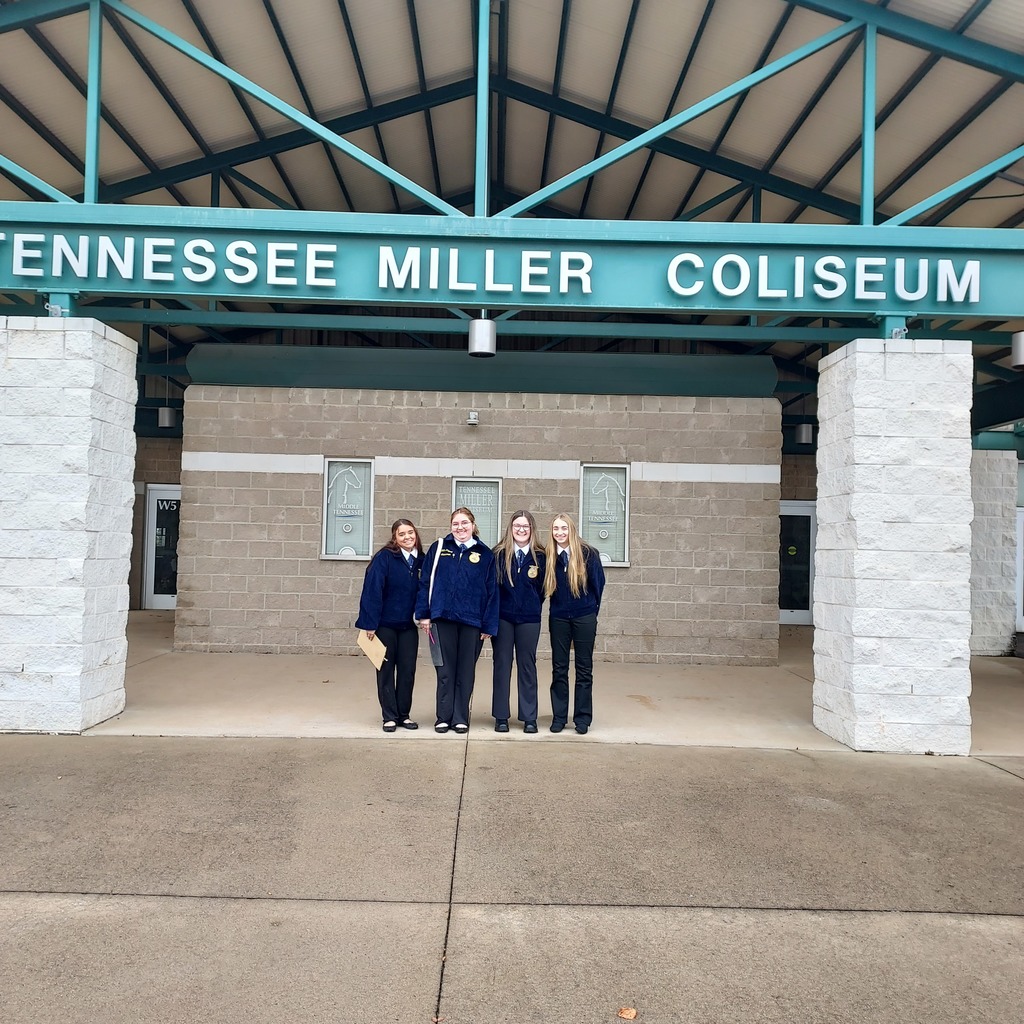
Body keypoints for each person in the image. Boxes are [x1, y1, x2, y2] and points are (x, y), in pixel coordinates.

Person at [416, 507, 500, 734]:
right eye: (456, 524)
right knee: (444, 670)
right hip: (441, 619)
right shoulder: (439, 547)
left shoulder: (485, 554)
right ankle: (444, 717)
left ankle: (461, 717)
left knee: (465, 671)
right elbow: (425, 582)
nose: (460, 528)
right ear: (451, 526)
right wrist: (423, 614)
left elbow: (492, 592)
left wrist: (489, 625)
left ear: (473, 525)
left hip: (472, 622)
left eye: (464, 523)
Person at [355, 518, 424, 733]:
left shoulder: (422, 560)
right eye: (402, 534)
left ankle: (404, 715)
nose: (407, 537)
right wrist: (369, 623)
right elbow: (372, 590)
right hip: (385, 626)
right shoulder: (384, 558)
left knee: (407, 671)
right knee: (385, 670)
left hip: (408, 628)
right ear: (394, 537)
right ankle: (389, 717)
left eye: (410, 533)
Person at [544, 512, 606, 735]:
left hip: (584, 617)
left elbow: (598, 586)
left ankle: (582, 719)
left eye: (564, 528)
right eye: (555, 529)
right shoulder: (549, 555)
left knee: (584, 669)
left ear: (571, 530)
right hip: (559, 618)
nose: (560, 533)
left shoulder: (588, 554)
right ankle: (560, 717)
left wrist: (590, 613)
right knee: (559, 669)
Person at [490, 510, 546, 734]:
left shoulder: (541, 556)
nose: (521, 530)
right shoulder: (499, 554)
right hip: (503, 618)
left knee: (527, 665)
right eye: (517, 526)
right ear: (510, 528)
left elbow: (542, 589)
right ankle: (501, 716)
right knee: (502, 665)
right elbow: (493, 588)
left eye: (525, 526)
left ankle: (529, 717)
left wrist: (531, 604)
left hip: (529, 620)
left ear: (531, 529)